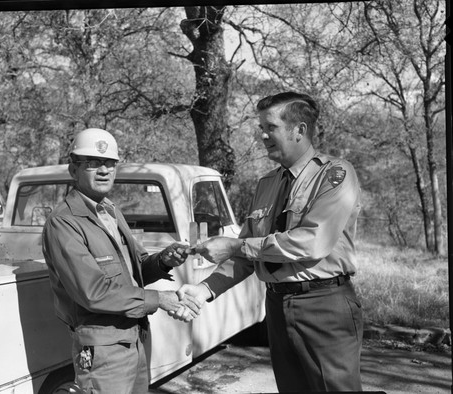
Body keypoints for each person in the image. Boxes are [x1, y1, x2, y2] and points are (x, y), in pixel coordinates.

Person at [178, 92, 363, 392]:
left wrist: (236, 246)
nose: (262, 135)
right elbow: (245, 256)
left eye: (270, 127)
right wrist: (203, 290)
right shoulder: (267, 184)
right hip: (276, 305)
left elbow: (311, 242)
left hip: (323, 305)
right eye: (261, 127)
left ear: (299, 130)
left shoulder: (335, 175)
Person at [42, 128, 201, 394]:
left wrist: (163, 260)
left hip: (135, 340)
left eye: (110, 163)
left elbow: (135, 271)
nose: (104, 170)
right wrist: (160, 299)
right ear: (74, 170)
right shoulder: (63, 222)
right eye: (93, 163)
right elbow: (93, 292)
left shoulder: (111, 211)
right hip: (103, 350)